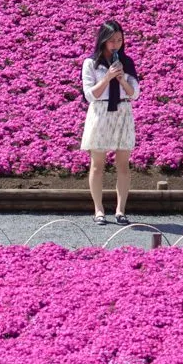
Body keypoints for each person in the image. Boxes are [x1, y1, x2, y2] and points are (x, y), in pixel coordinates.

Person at [80, 20, 140, 225]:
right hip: (100, 111)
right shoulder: (91, 63)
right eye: (112, 40)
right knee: (97, 165)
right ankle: (98, 210)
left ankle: (120, 210)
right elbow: (90, 95)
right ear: (103, 40)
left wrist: (122, 78)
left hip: (122, 111)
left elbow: (134, 94)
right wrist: (107, 77)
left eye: (119, 40)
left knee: (123, 164)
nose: (116, 44)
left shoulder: (127, 62)